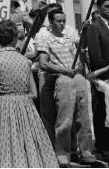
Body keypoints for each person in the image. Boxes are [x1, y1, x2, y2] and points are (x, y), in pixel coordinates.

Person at [0, 19, 58, 167]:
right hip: (26, 108)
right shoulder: (25, 61)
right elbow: (34, 94)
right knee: (29, 147)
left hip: (3, 106)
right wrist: (20, 98)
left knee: (1, 147)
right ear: (14, 38)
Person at [38, 9, 95, 167]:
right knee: (65, 117)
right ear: (51, 22)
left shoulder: (68, 37)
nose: (62, 24)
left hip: (75, 76)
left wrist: (85, 32)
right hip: (60, 78)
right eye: (59, 21)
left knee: (83, 114)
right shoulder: (45, 39)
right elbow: (43, 63)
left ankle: (86, 150)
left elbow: (80, 49)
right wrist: (62, 70)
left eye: (64, 20)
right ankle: (62, 152)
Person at [86, 0, 109, 156]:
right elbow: (95, 54)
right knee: (102, 110)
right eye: (107, 6)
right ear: (98, 8)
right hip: (104, 76)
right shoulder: (94, 27)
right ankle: (103, 145)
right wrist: (105, 72)